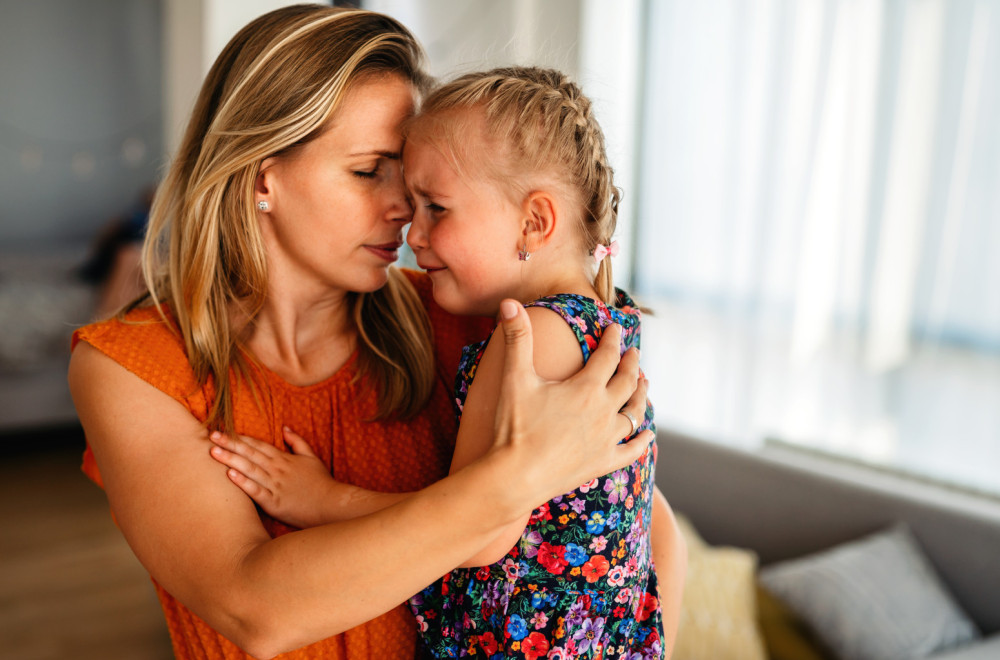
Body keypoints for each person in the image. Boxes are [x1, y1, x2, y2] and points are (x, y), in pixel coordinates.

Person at [66, 6, 652, 660]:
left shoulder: (474, 314)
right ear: (265, 176)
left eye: (409, 176)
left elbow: (642, 525)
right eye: (370, 169)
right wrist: (518, 479)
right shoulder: (132, 367)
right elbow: (255, 609)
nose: (404, 207)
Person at [208, 66, 687, 659]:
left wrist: (321, 499)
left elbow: (481, 528)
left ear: (534, 221)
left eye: (435, 207)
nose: (414, 230)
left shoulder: (524, 337)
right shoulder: (605, 320)